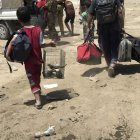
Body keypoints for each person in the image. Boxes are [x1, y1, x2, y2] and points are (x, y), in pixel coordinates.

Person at [5, 6, 56, 109]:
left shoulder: (19, 32)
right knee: (36, 77)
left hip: (29, 62)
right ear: (30, 17)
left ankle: (38, 101)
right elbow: (41, 44)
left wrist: (7, 56)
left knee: (32, 80)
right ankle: (38, 91)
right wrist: (50, 43)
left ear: (19, 20)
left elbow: (11, 43)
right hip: (39, 60)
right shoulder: (38, 30)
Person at [87, 0, 122, 77]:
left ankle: (109, 64)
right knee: (114, 45)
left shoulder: (95, 1)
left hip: (102, 27)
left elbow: (90, 14)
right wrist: (122, 26)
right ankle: (112, 64)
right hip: (114, 26)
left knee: (105, 46)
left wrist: (88, 27)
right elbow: (120, 12)